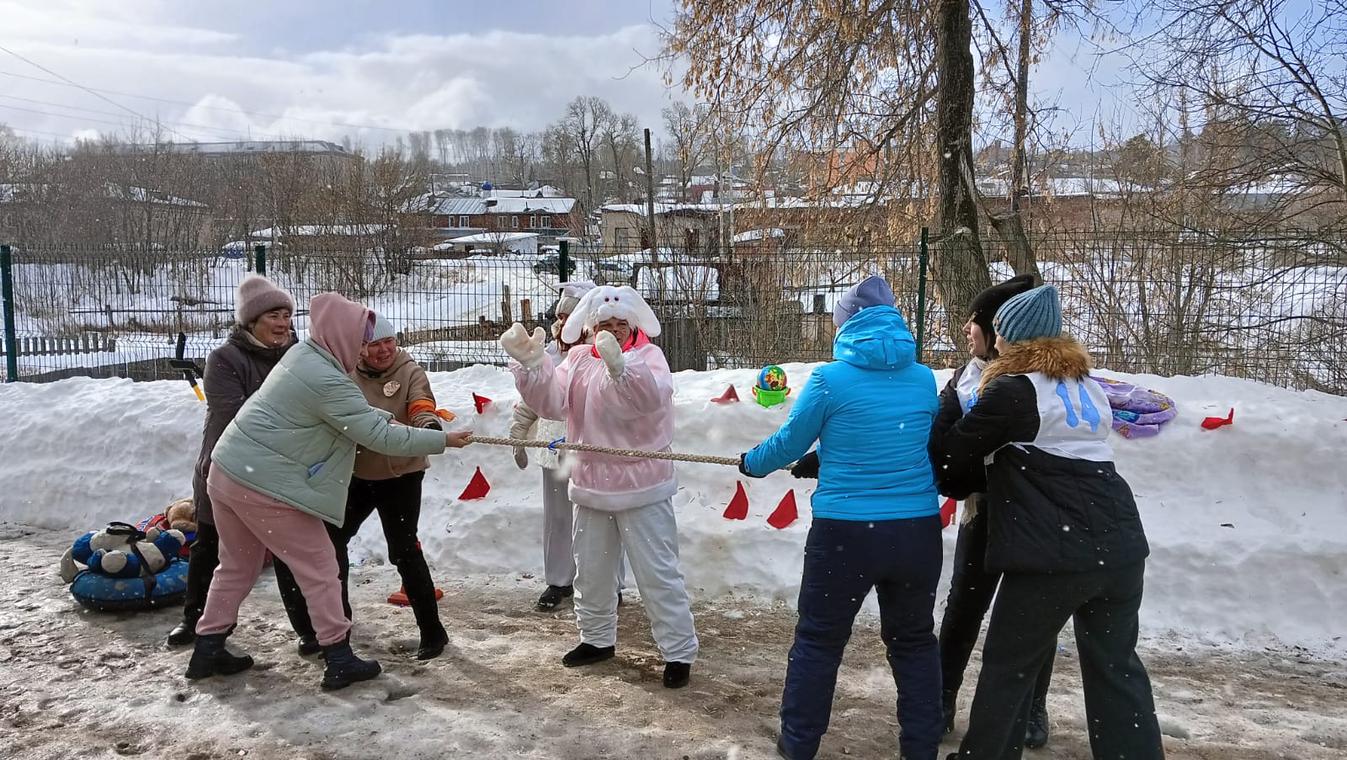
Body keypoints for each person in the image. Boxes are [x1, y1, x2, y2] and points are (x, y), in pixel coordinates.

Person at [187, 292, 473, 690]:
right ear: (341, 335)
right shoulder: (327, 378)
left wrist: (390, 419)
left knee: (236, 565)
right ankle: (338, 656)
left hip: (228, 471)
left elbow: (352, 413)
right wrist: (444, 441)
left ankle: (208, 646)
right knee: (322, 568)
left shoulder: (303, 356)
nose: (365, 348)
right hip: (263, 483)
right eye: (360, 339)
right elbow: (375, 434)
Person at [932, 285, 1162, 760]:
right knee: (1116, 669)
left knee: (1008, 665)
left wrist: (948, 405)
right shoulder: (1090, 387)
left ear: (1011, 340)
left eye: (998, 334)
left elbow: (952, 467)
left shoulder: (1013, 392)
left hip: (1053, 554)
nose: (993, 343)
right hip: (1119, 549)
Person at [739, 276, 944, 760]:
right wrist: (828, 458)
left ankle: (799, 743)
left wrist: (752, 462)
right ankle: (921, 748)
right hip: (916, 530)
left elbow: (789, 444)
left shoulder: (831, 379)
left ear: (847, 324)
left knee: (819, 639)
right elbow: (907, 443)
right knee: (914, 642)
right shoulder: (922, 379)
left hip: (846, 534)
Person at [500, 284, 698, 689]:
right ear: (590, 328)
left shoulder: (650, 358)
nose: (613, 330)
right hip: (590, 482)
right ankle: (596, 638)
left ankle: (678, 651)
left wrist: (620, 369)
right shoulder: (576, 359)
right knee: (590, 570)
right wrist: (535, 369)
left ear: (633, 323)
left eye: (620, 323)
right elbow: (554, 404)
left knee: (657, 573)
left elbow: (643, 403)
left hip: (641, 485)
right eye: (604, 324)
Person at [930, 274, 1058, 748]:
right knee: (964, 603)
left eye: (978, 320)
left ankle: (1031, 706)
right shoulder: (965, 378)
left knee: (1031, 614)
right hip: (981, 508)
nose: (967, 327)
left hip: (1028, 511)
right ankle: (942, 697)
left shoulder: (1025, 384)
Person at [289, 315, 452, 660]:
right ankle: (338, 623)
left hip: (401, 475)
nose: (383, 350)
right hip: (356, 474)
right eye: (373, 344)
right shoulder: (344, 373)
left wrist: (430, 425)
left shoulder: (410, 371)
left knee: (404, 549)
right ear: (359, 348)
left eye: (388, 342)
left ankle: (433, 632)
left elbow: (421, 404)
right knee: (332, 544)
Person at [167, 275, 314, 653]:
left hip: (281, 471)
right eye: (273, 316)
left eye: (287, 315)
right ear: (251, 321)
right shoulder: (225, 359)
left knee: (288, 553)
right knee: (211, 547)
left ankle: (309, 630)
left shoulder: (298, 354)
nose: (283, 324)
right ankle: (196, 622)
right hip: (227, 469)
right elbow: (239, 416)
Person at [509, 281, 593, 611]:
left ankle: (605, 582)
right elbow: (534, 397)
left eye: (569, 316)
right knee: (557, 518)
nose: (562, 323)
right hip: (554, 447)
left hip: (593, 448)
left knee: (598, 516)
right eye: (559, 316)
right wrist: (519, 431)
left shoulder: (596, 352)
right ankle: (559, 581)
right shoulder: (549, 352)